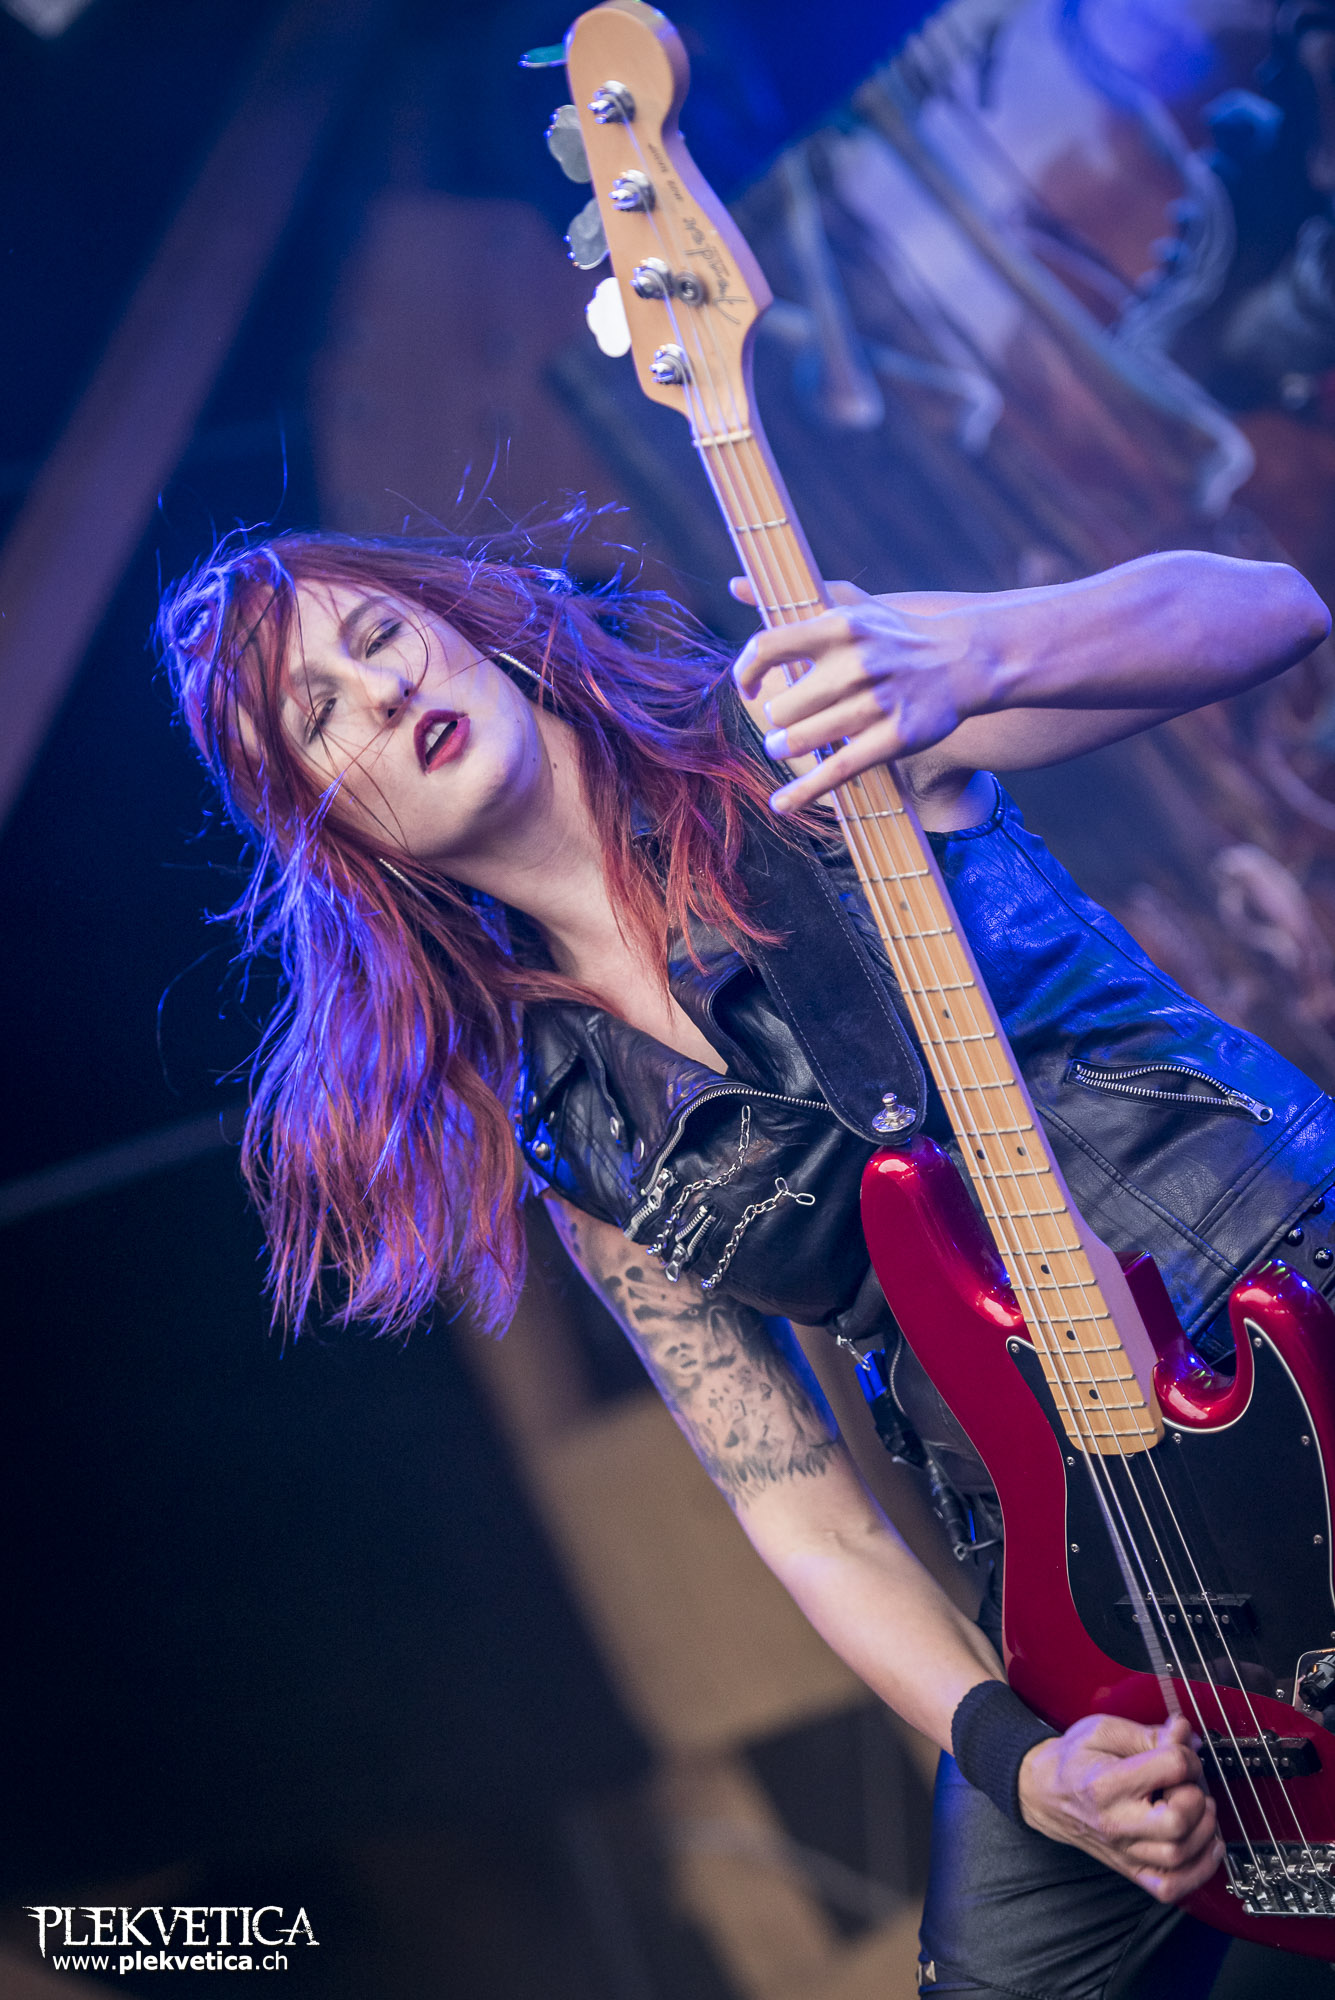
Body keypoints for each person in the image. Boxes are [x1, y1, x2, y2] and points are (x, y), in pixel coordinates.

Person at [159, 527, 1333, 1998]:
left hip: (1289, 1302)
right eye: (319, 716)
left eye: (379, 636)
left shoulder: (794, 732)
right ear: (339, 835)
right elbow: (803, 1516)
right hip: (1090, 1561)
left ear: (476, 627)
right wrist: (1020, 1765)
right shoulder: (577, 1130)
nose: (381, 693)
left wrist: (967, 656)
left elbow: (1268, 608)